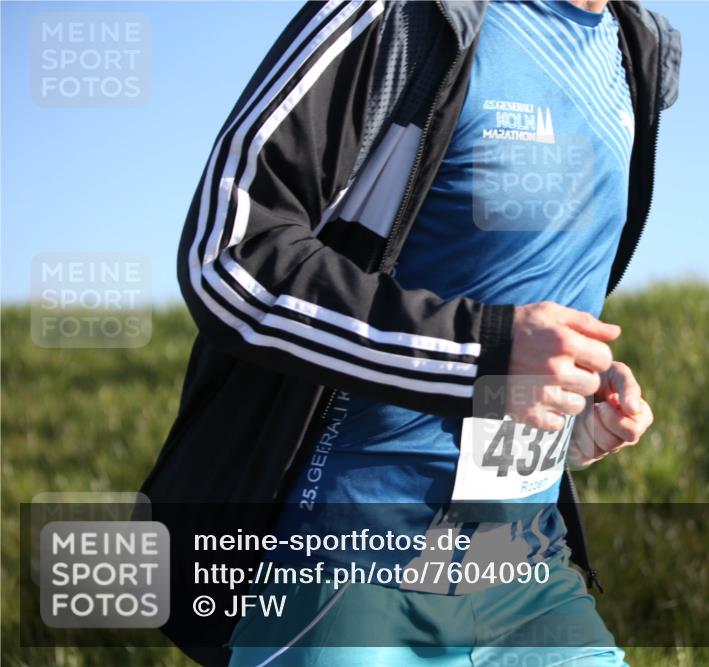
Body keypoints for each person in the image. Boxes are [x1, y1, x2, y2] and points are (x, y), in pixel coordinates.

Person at [142, 0, 680, 664]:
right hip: (346, 572)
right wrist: (482, 354)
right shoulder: (402, 13)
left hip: (522, 570)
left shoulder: (634, 52)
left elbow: (506, 296)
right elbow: (227, 260)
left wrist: (566, 394)